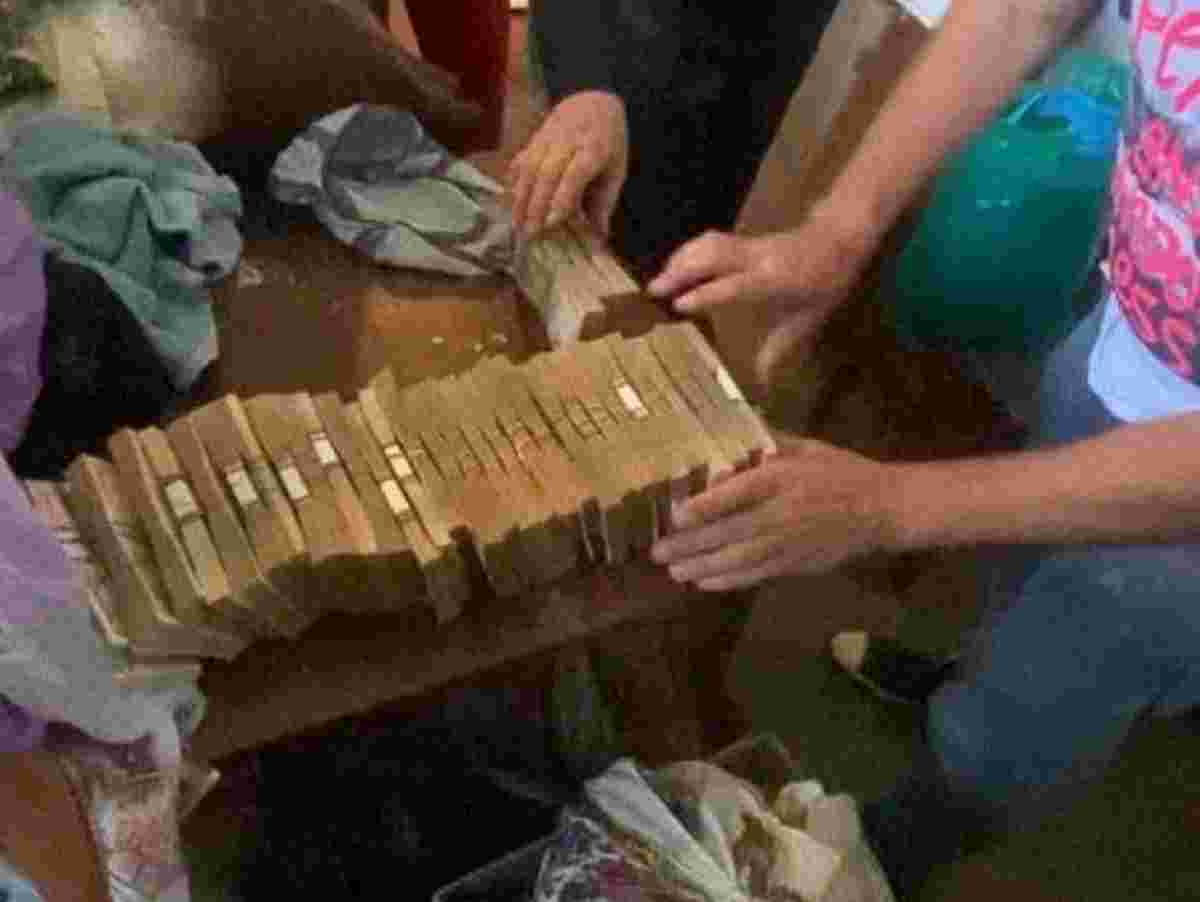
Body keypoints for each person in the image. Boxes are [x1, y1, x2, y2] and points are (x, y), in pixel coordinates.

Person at [646, 0, 1200, 898]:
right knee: (1023, 572)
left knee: (1052, 694)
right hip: (1126, 333)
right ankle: (969, 677)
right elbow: (1022, 10)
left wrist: (890, 507)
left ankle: (900, 846)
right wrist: (837, 231)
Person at [509, 0, 840, 278]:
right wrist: (583, 80)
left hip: (780, 71)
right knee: (605, 229)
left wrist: (840, 233)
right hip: (635, 47)